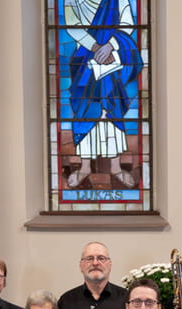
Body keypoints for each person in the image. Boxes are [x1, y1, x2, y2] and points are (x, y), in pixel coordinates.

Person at [61, 2, 142, 189]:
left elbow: (127, 22)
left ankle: (115, 167)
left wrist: (110, 46)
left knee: (112, 108)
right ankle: (85, 167)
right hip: (84, 59)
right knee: (85, 111)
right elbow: (73, 26)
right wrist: (97, 47)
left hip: (111, 58)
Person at [57, 241, 128, 309]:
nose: (95, 263)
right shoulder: (66, 300)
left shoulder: (126, 298)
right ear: (81, 266)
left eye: (101, 258)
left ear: (110, 265)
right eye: (89, 258)